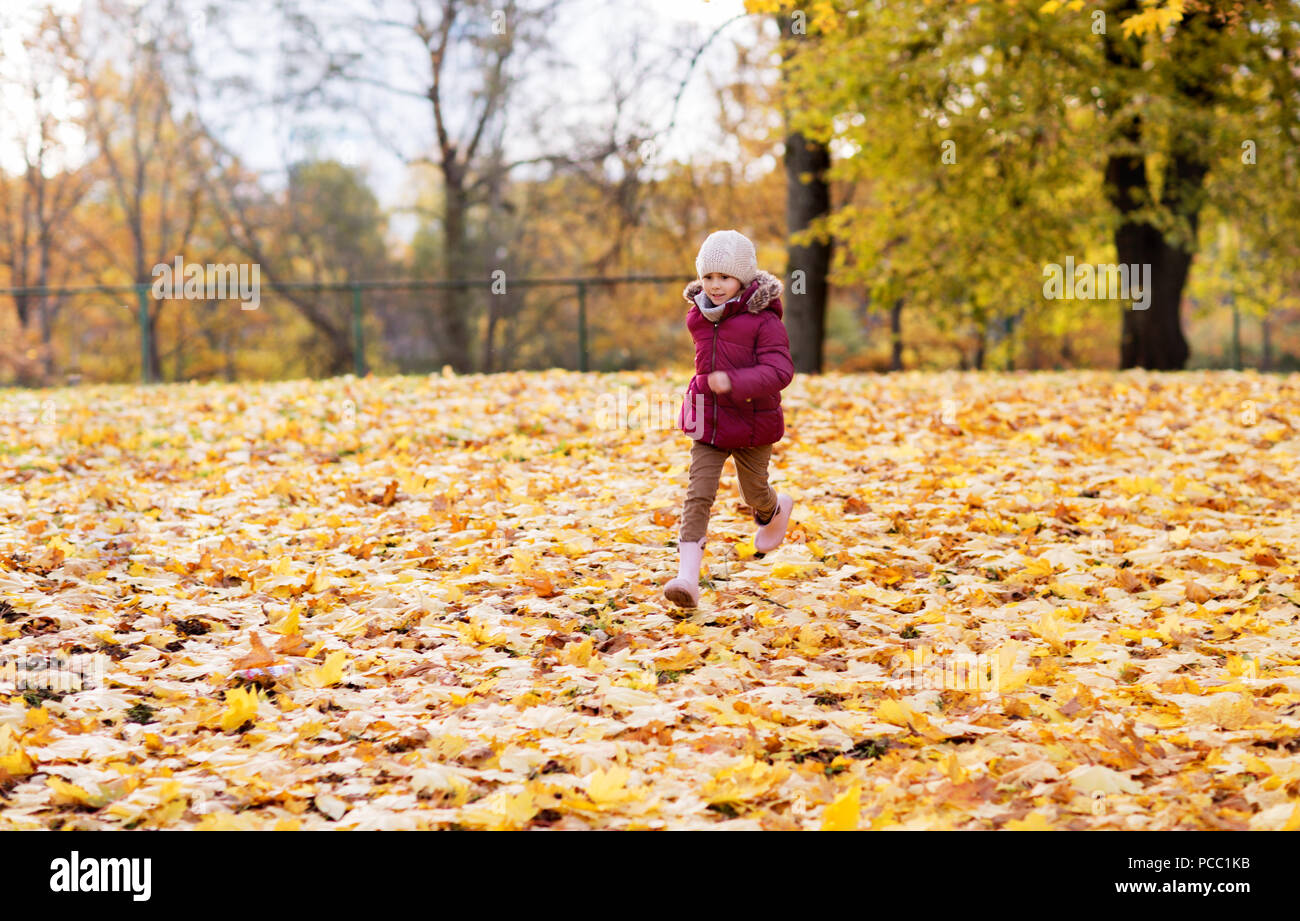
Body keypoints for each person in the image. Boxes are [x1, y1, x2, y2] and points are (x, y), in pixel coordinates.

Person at [663, 229, 795, 609]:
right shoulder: (699, 317)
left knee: (754, 492)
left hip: (754, 423)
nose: (715, 286)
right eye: (708, 277)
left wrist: (734, 382)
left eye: (724, 277)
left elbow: (780, 370)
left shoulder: (764, 320)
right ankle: (687, 579)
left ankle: (774, 509)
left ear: (743, 278)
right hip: (710, 422)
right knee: (697, 495)